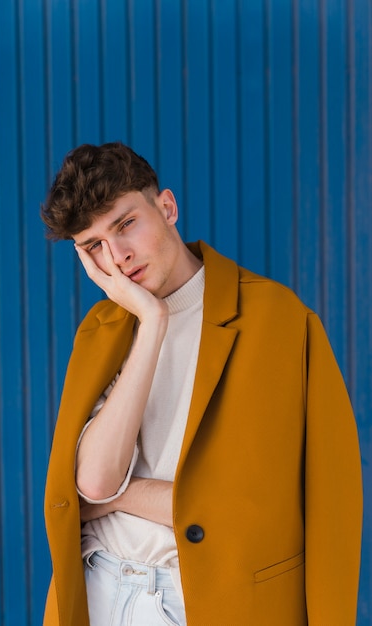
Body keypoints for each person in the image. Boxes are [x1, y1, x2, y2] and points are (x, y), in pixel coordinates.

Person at [41, 142, 363, 626]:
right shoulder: (102, 329)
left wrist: (123, 499)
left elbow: (312, 501)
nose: (119, 256)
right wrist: (151, 322)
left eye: (126, 224)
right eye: (93, 247)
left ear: (166, 207)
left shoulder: (280, 321)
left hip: (212, 599)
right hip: (102, 588)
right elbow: (92, 481)